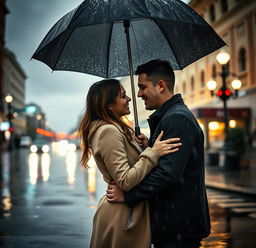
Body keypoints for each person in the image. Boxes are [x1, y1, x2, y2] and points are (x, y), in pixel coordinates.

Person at [107, 60, 211, 248]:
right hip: (173, 224)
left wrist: (128, 196)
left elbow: (168, 174)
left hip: (178, 228)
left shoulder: (176, 118)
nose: (139, 94)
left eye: (142, 87)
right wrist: (150, 146)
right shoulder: (170, 116)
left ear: (161, 86)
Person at [78, 79, 182, 248]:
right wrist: (152, 153)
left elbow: (133, 167)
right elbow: (125, 180)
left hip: (128, 211)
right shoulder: (108, 131)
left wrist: (145, 147)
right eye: (123, 96)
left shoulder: (115, 129)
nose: (129, 99)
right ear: (109, 105)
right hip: (122, 215)